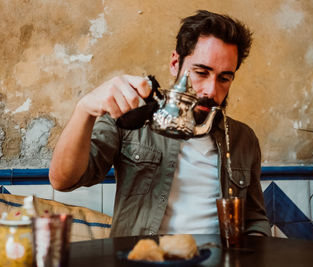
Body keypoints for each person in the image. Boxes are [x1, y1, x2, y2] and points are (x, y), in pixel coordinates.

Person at [49, 10, 271, 237]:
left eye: (224, 78)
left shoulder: (243, 138)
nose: (211, 90)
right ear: (175, 63)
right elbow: (62, 180)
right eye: (201, 72)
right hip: (141, 258)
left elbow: (254, 219)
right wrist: (85, 109)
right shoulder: (132, 120)